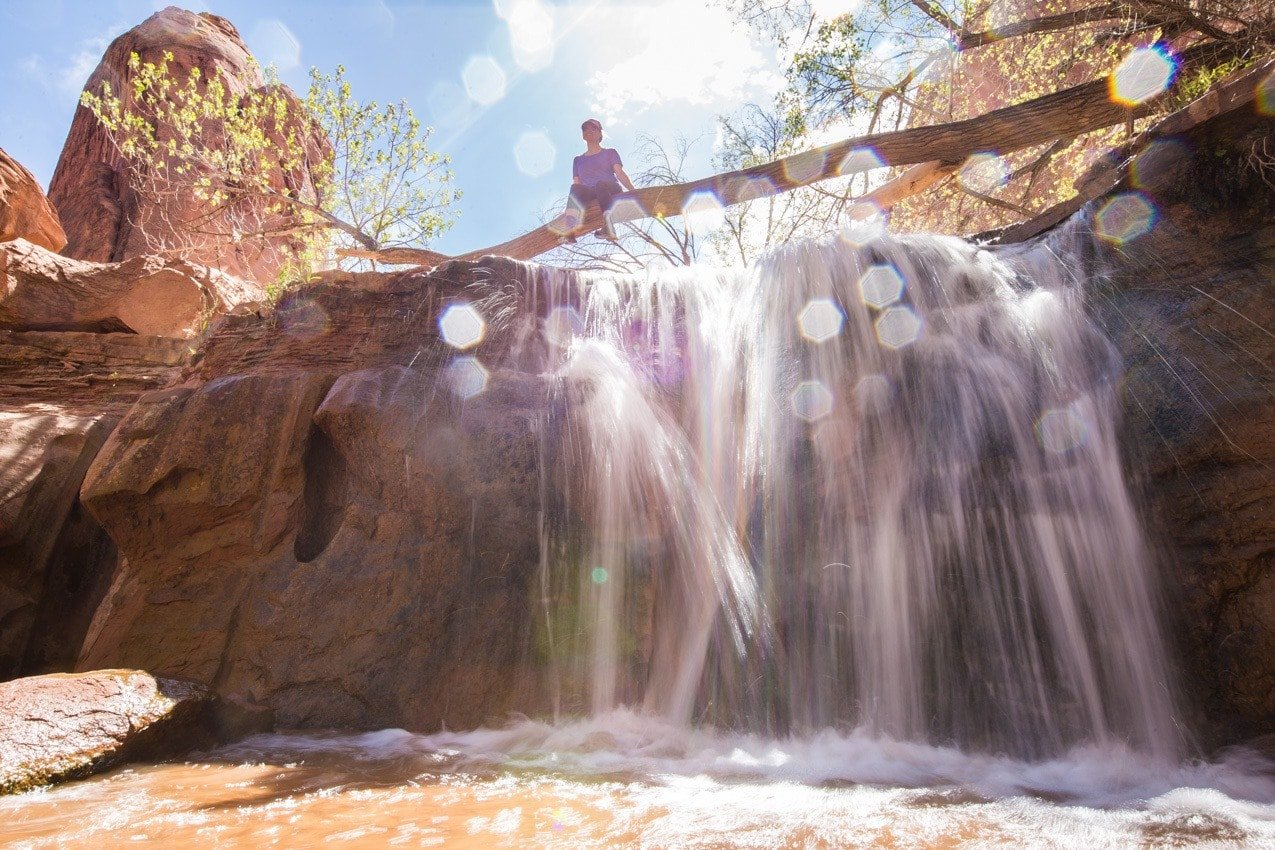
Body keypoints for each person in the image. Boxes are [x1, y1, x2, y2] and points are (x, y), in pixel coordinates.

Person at [565, 118, 635, 241]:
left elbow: (619, 173)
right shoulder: (578, 160)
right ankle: (569, 231)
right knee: (575, 188)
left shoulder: (610, 152)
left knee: (600, 185)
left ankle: (608, 227)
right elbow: (577, 185)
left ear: (600, 133)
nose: (589, 131)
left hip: (610, 189)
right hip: (592, 193)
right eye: (585, 129)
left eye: (593, 128)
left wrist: (633, 191)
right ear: (583, 135)